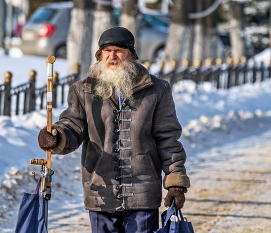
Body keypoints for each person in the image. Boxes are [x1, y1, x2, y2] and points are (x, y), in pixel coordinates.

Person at [38, 27, 190, 233]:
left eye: (118, 50)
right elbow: (73, 127)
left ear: (132, 55)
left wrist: (175, 183)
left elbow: (168, 139)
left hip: (142, 192)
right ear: (99, 55)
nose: (112, 56)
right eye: (107, 51)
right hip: (100, 191)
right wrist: (57, 137)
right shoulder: (83, 90)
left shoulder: (157, 89)